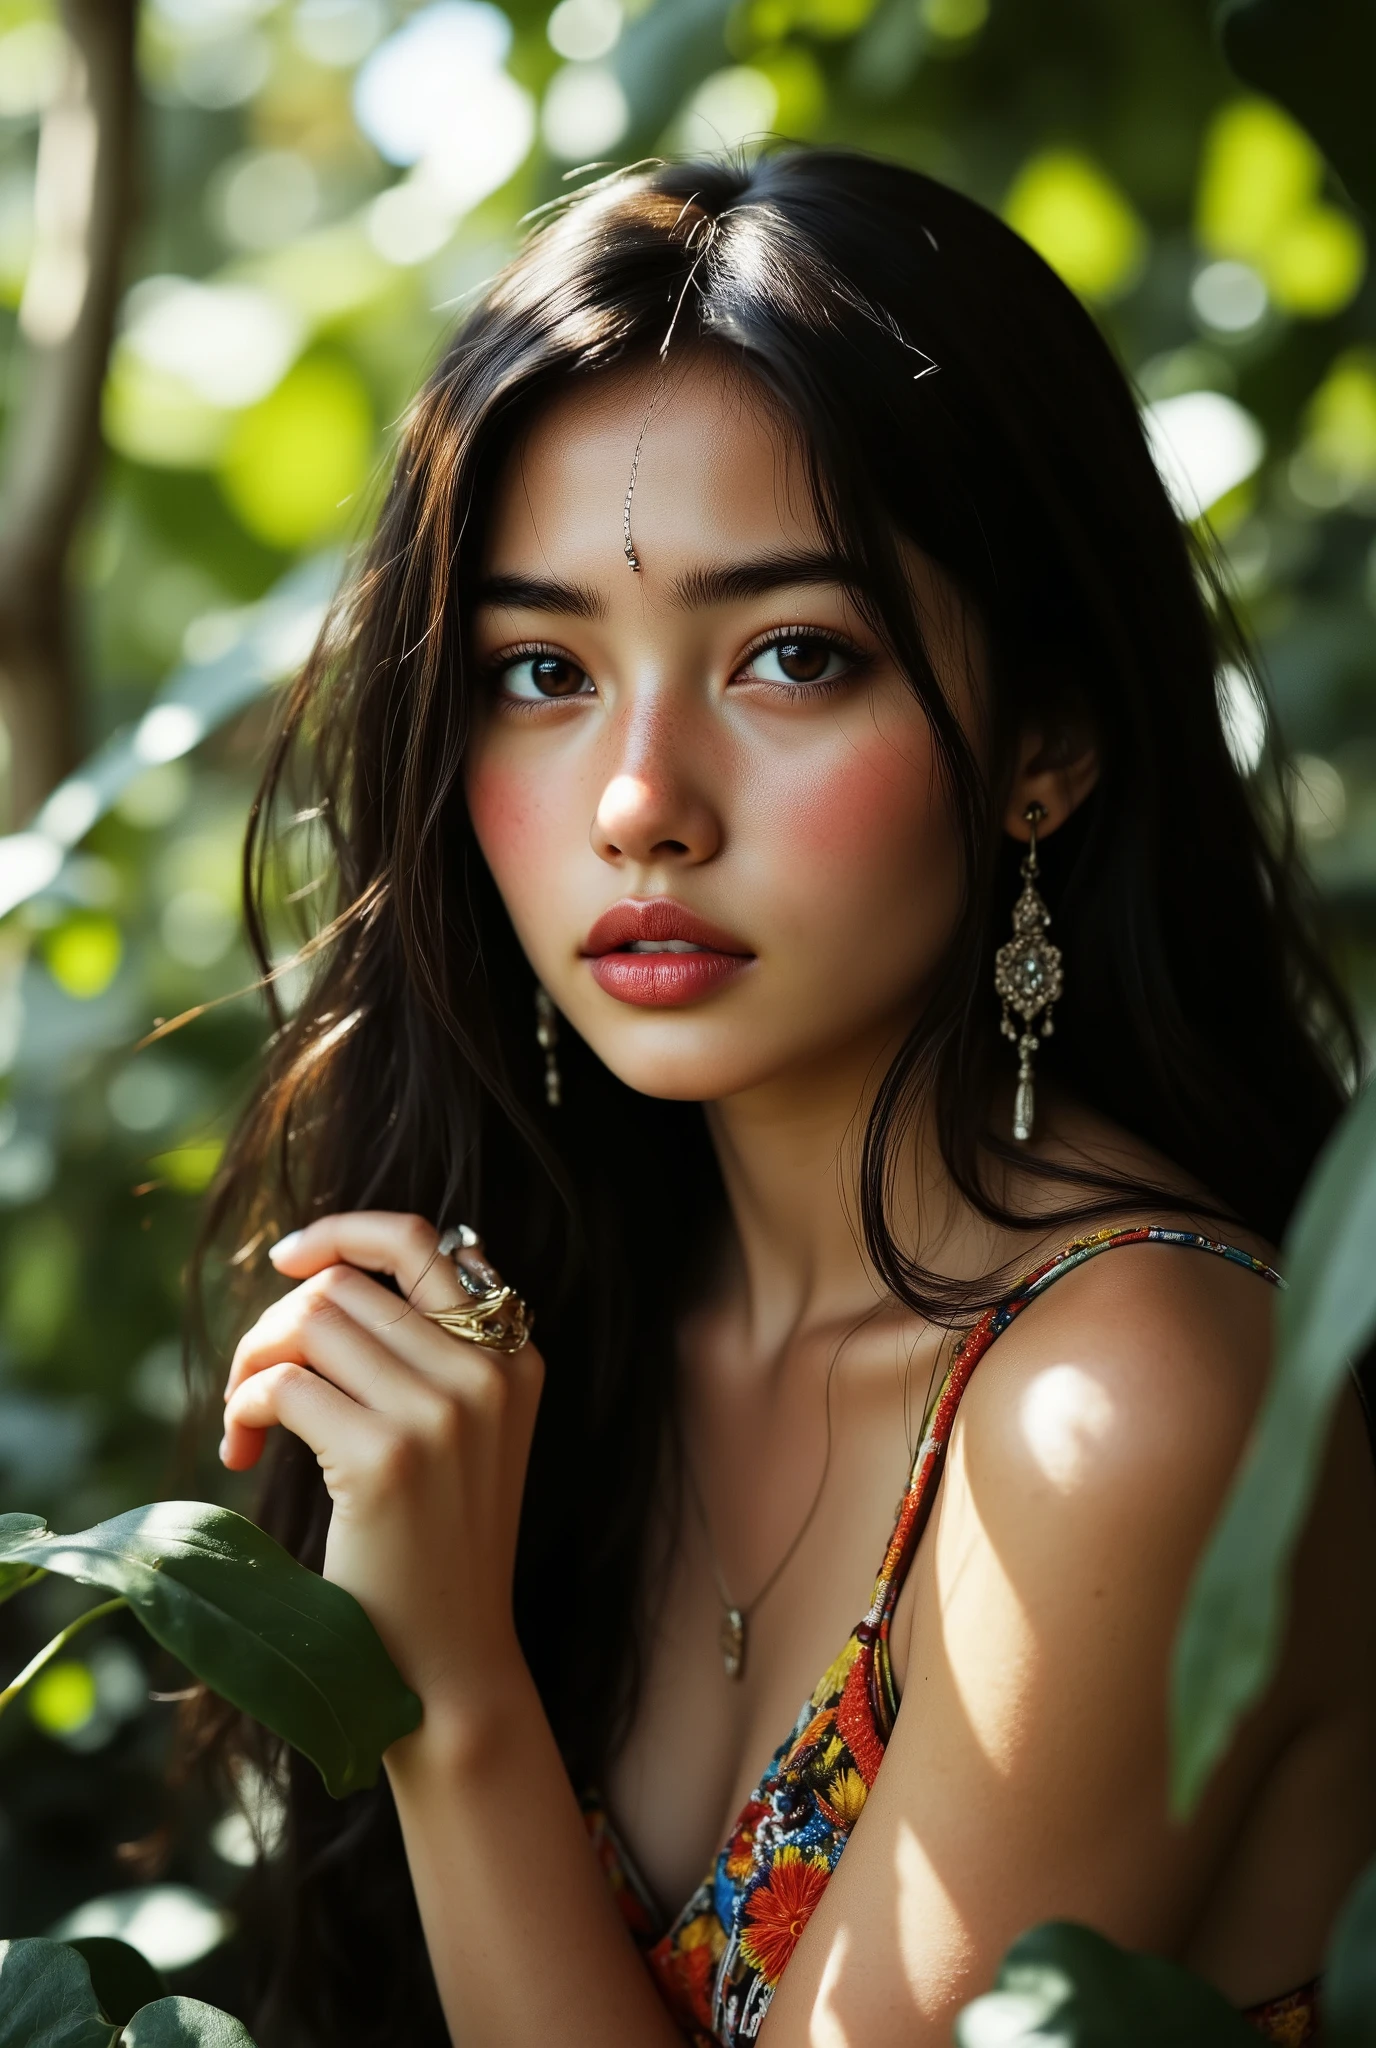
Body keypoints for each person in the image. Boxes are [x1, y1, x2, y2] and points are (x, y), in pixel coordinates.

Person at [196, 150, 1376, 2048]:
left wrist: (452, 1699)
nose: (637, 800)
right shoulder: (568, 1328)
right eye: (542, 669)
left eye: (793, 656)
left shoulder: (1123, 1407)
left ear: (1047, 742)